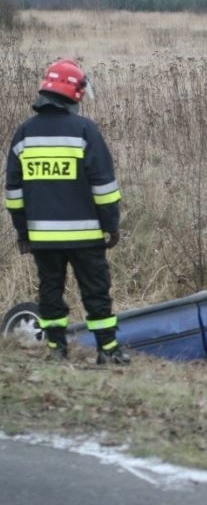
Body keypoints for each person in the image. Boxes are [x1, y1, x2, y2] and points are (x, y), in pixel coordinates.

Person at [4, 58, 130, 365]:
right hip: (86, 235)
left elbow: (14, 193)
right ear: (75, 93)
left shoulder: (23, 135)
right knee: (96, 293)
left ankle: (56, 350)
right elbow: (104, 186)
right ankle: (108, 351)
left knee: (49, 293)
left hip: (42, 237)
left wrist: (23, 233)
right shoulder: (84, 131)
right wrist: (111, 225)